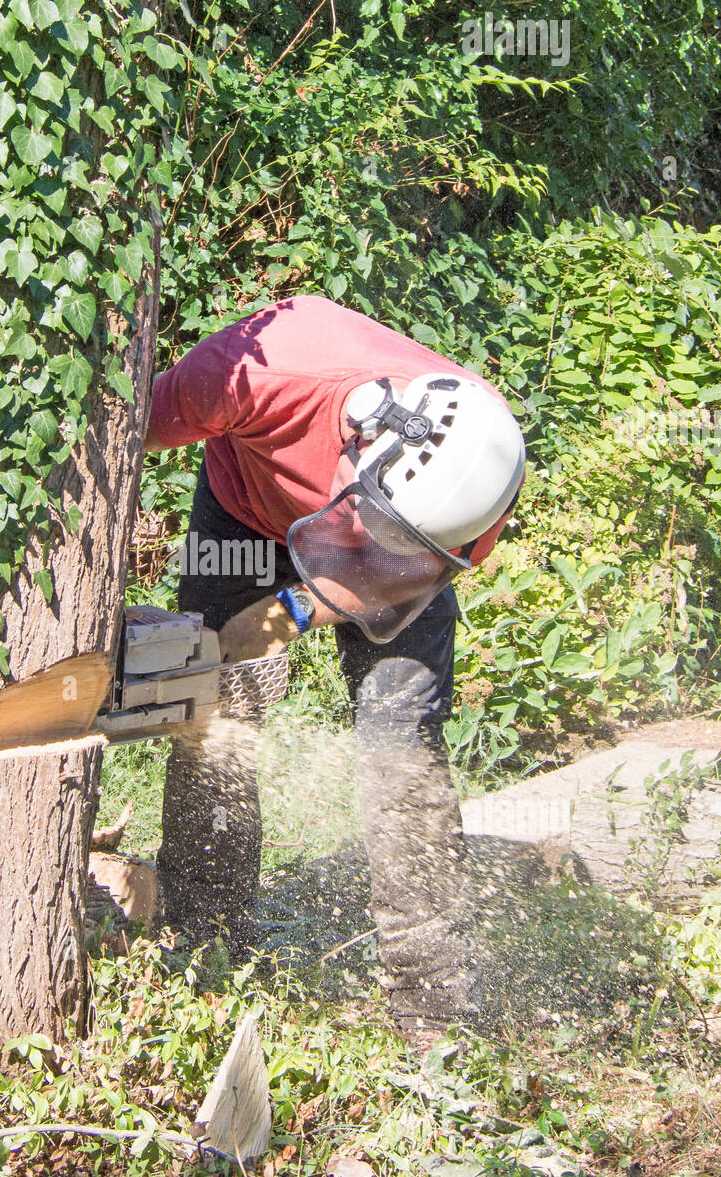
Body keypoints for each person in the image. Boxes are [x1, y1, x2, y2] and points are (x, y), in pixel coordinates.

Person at [143, 294, 526, 1038]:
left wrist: (288, 613)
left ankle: (434, 1013)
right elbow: (115, 445)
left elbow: (383, 581)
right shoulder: (251, 373)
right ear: (364, 437)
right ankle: (203, 943)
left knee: (401, 749)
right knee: (209, 712)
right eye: (375, 523)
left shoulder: (477, 484)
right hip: (245, 515)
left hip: (406, 567)